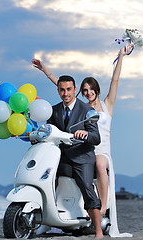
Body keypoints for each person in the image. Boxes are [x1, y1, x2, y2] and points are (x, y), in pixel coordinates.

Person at [32, 45, 133, 237]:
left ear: (96, 90)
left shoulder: (106, 105)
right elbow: (63, 88)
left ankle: (101, 209)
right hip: (79, 148)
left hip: (99, 149)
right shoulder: (81, 107)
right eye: (85, 91)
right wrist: (45, 70)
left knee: (99, 164)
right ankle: (51, 212)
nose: (88, 93)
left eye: (91, 89)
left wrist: (121, 56)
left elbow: (115, 80)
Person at [46, 75, 103, 239]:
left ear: (75, 90)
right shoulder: (54, 110)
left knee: (86, 184)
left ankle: (98, 230)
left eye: (69, 89)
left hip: (82, 156)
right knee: (46, 177)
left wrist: (86, 133)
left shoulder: (87, 111)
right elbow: (48, 130)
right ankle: (48, 217)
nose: (65, 93)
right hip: (61, 156)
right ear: (58, 91)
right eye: (62, 90)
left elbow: (96, 138)